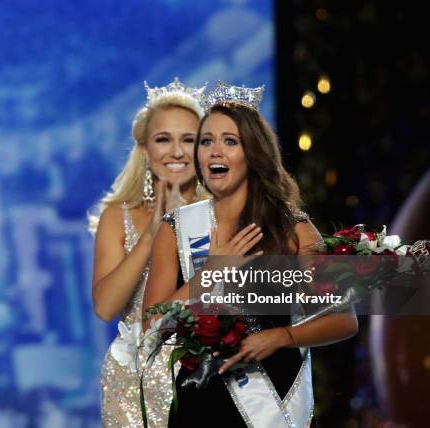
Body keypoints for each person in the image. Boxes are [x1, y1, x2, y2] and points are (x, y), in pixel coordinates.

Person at [142, 83, 359, 427]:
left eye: (230, 141)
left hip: (271, 403)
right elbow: (152, 324)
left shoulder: (293, 230)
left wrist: (282, 337)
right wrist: (211, 272)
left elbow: (344, 320)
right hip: (199, 405)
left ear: (253, 153)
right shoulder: (176, 230)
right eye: (206, 141)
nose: (215, 151)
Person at [90, 78, 209, 427]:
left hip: (208, 375)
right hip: (134, 384)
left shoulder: (222, 213)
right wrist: (151, 235)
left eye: (188, 140)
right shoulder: (119, 216)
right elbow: (105, 307)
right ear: (145, 150)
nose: (176, 151)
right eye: (163, 140)